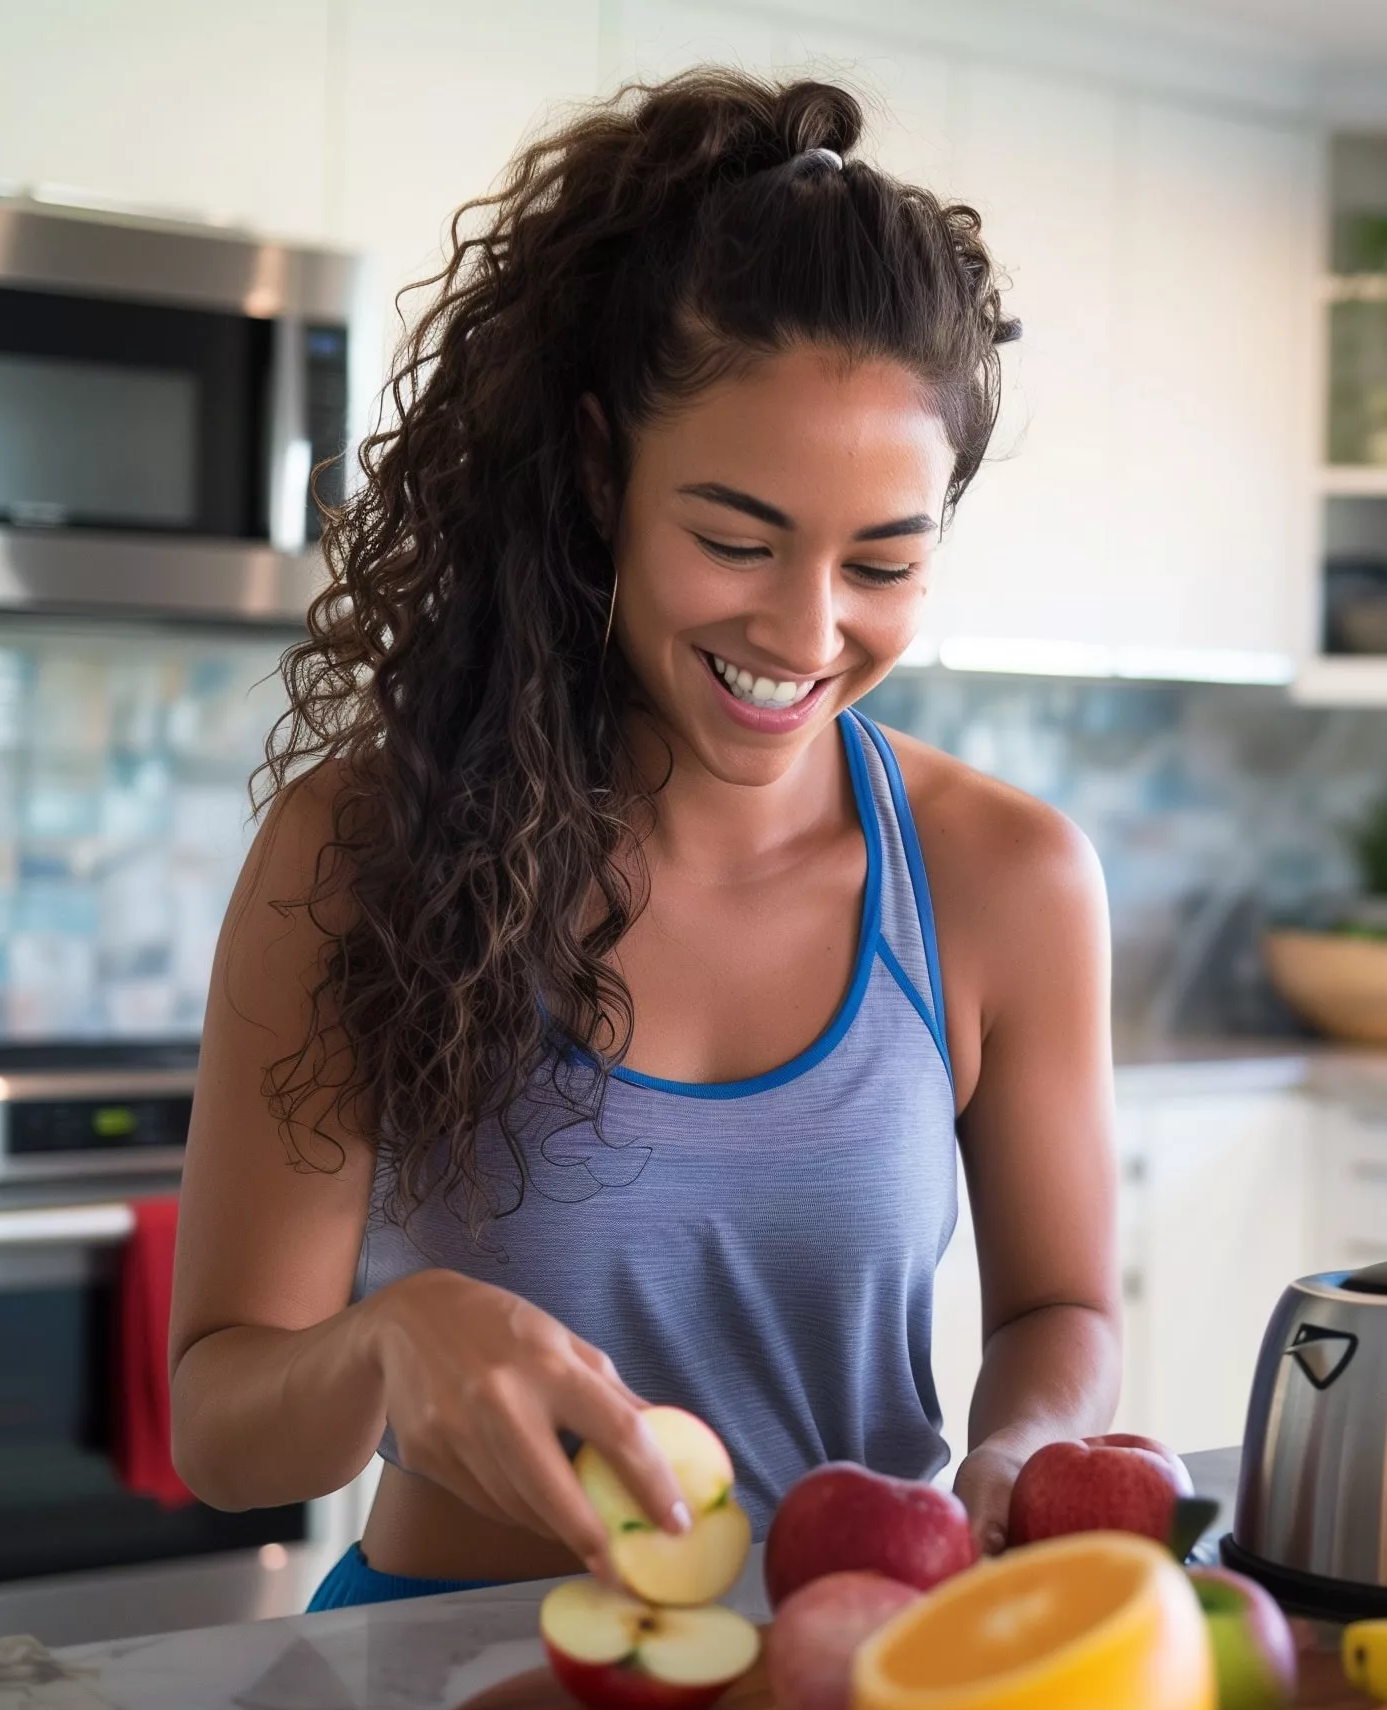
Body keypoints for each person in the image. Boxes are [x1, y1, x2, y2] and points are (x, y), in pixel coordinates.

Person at [167, 71, 1119, 1608]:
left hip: (846, 1682)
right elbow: (220, 1428)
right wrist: (385, 1348)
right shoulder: (361, 848)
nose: (806, 633)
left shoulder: (1003, 880)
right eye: (735, 541)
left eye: (884, 561)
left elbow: (1059, 1309)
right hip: (437, 1681)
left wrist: (1027, 1448)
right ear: (602, 473)